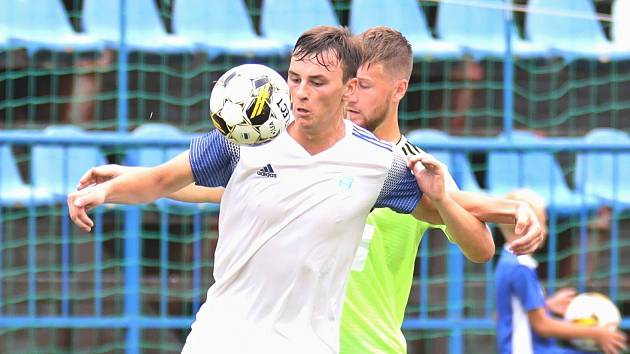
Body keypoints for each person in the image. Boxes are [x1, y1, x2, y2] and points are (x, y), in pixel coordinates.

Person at [72, 26, 545, 353]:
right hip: (223, 338)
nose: (300, 92)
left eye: (318, 82)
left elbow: (451, 209)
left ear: (350, 88)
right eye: (295, 79)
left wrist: (513, 208)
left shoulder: (384, 166)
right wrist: (112, 187)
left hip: (331, 344)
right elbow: (170, 181)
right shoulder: (249, 138)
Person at [494, 189, 627, 354]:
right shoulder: (520, 267)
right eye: (542, 223)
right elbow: (542, 326)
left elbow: (506, 313)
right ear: (523, 227)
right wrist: (597, 333)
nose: (546, 230)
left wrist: (546, 305)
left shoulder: (507, 261)